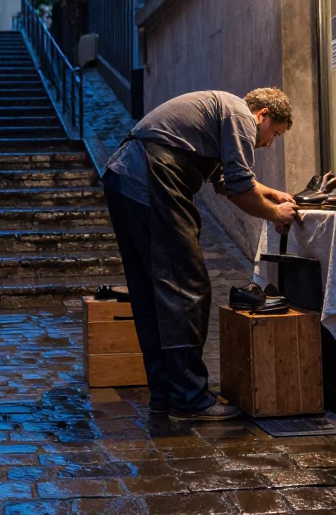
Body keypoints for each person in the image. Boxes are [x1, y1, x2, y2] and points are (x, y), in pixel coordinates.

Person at [101, 87, 297, 421]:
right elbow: (238, 189)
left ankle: (165, 394)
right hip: (149, 178)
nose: (269, 143)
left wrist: (272, 193)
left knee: (151, 293)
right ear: (262, 114)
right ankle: (190, 399)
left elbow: (223, 180)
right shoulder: (239, 115)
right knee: (186, 286)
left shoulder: (217, 115)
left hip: (125, 179)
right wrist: (277, 214)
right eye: (274, 133)